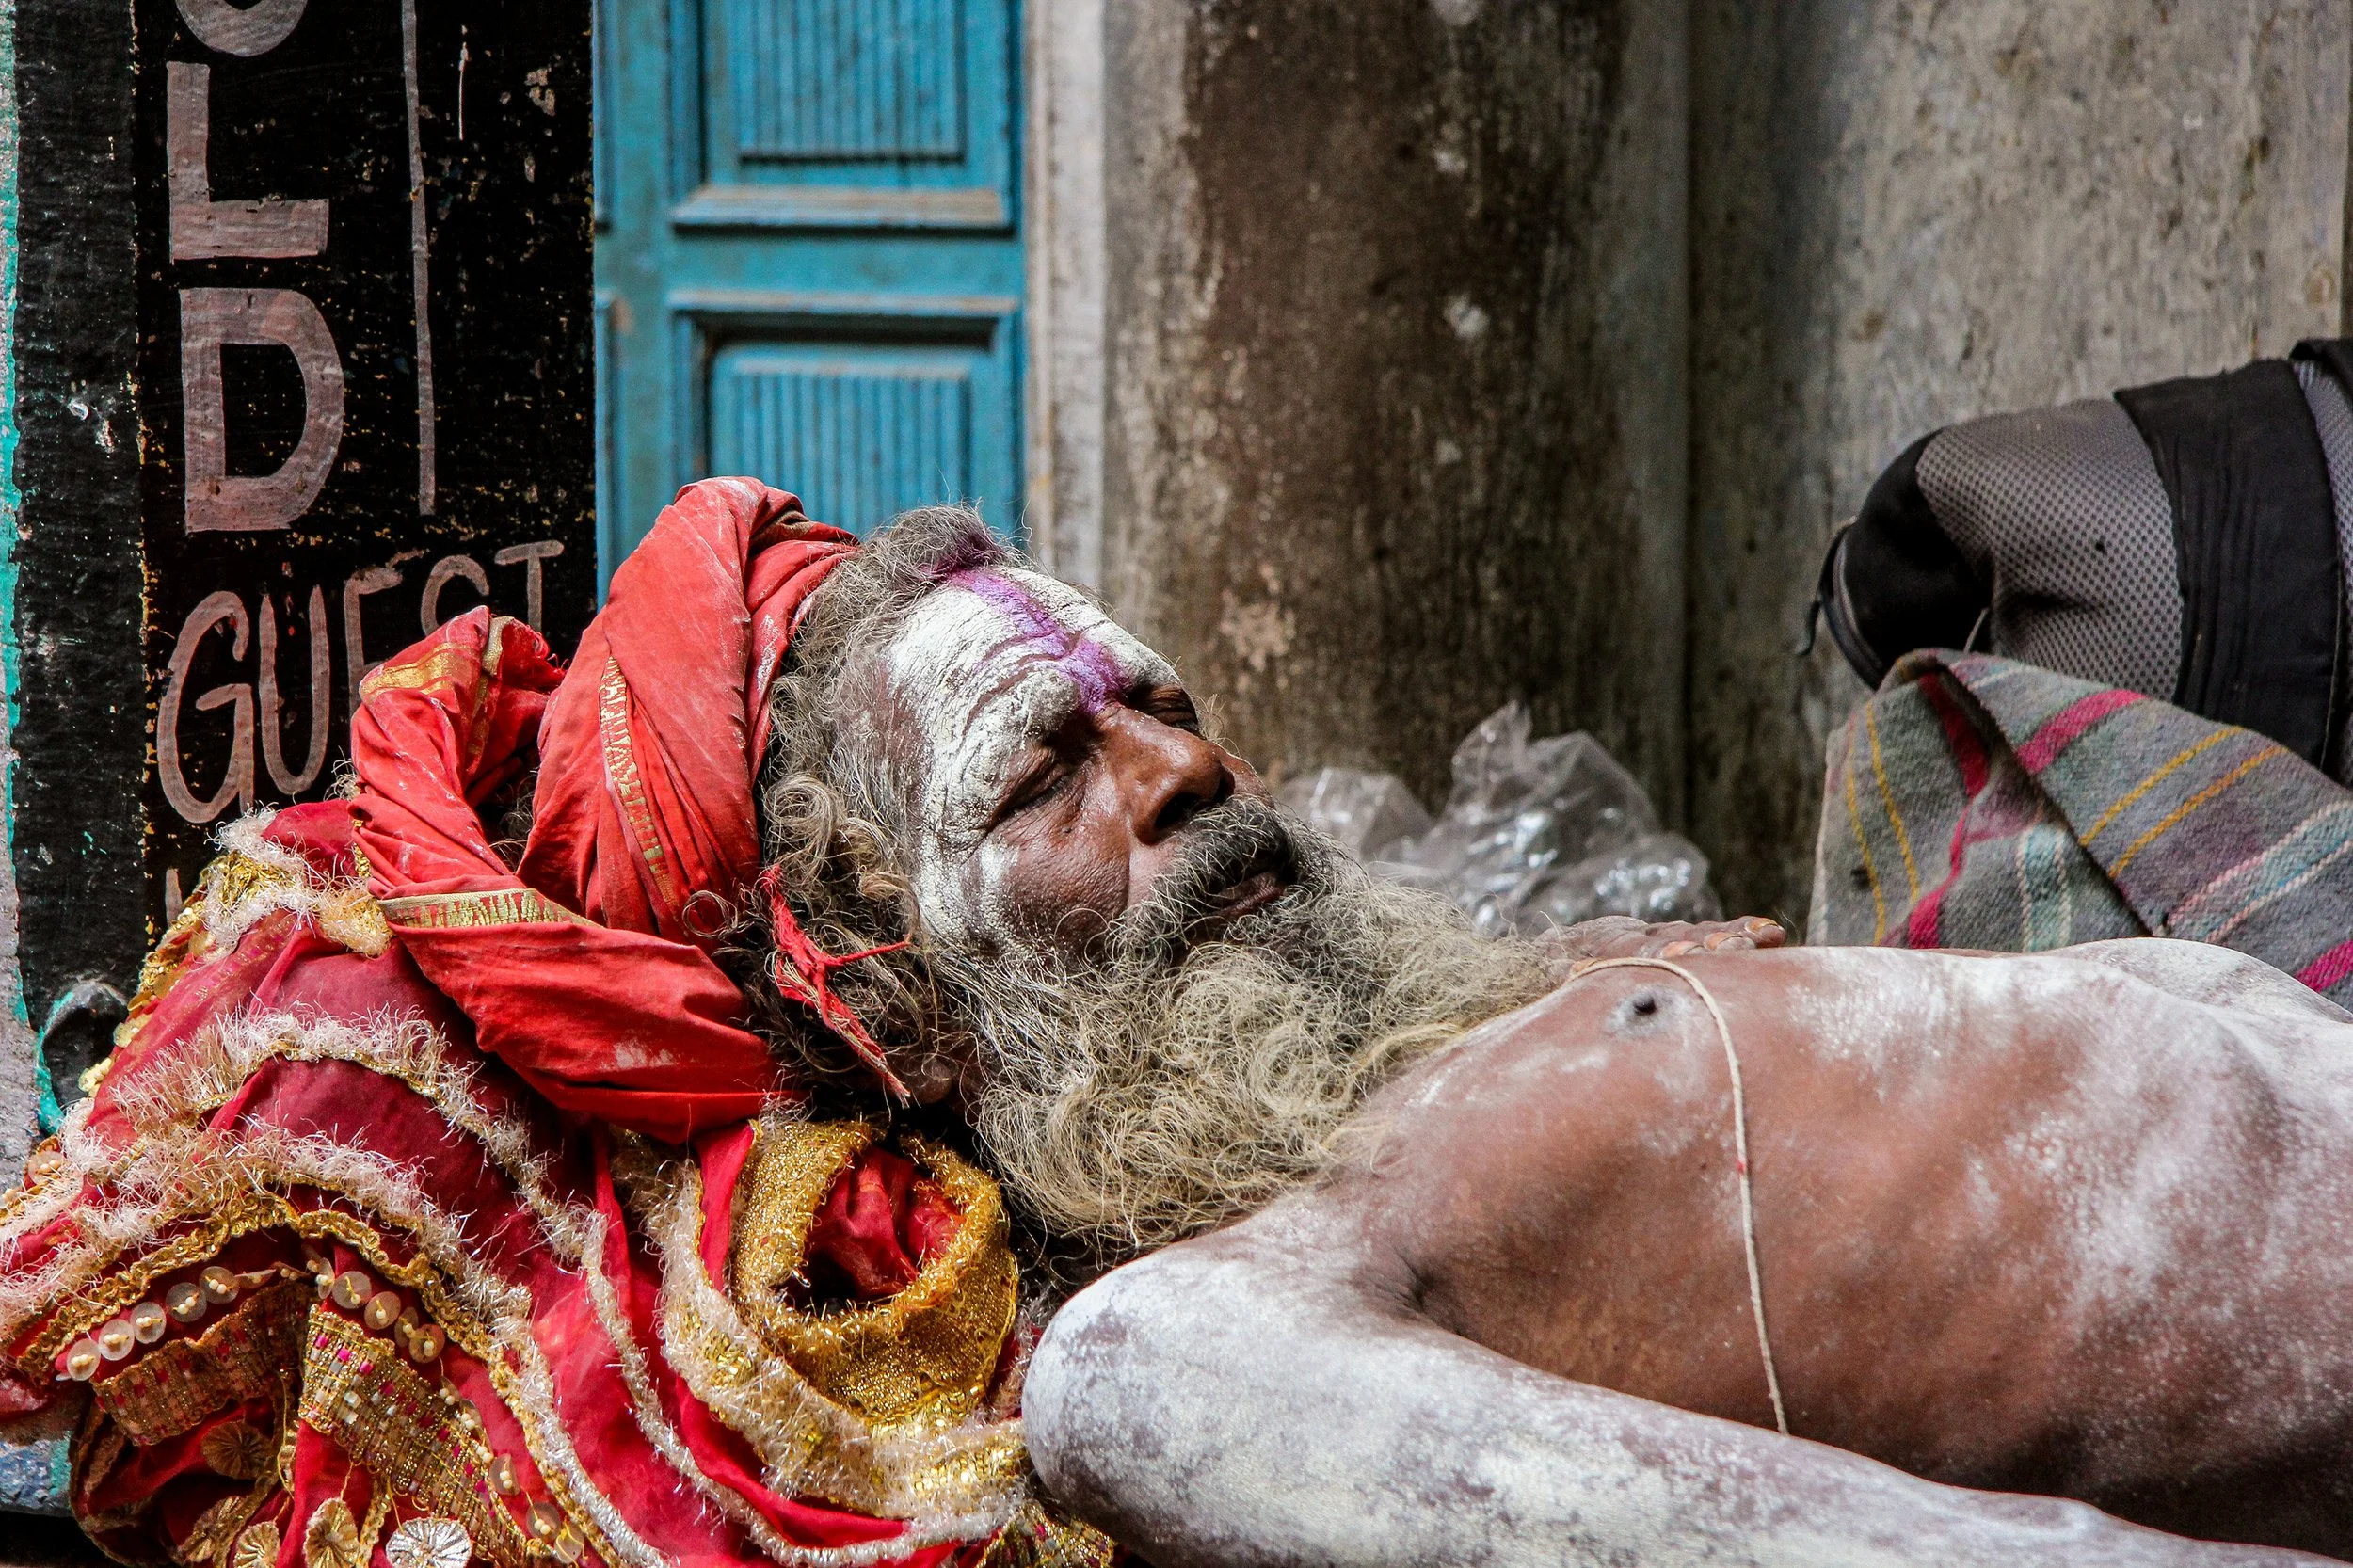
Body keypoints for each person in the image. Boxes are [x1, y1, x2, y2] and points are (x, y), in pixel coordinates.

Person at [0, 479, 2335, 1568]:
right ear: (893, 1002)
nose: (1186, 767)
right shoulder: (1171, 1355)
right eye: (1053, 771)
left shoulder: (1443, 1055)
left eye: (1160, 703)